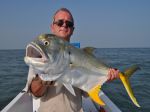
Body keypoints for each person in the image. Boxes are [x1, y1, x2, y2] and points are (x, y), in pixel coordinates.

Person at [29, 8, 119, 112]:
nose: (64, 25)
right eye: (59, 22)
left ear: (72, 30)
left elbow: (86, 93)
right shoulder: (40, 58)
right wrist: (43, 78)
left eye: (69, 24)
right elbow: (35, 92)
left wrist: (105, 77)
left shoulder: (82, 56)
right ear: (52, 27)